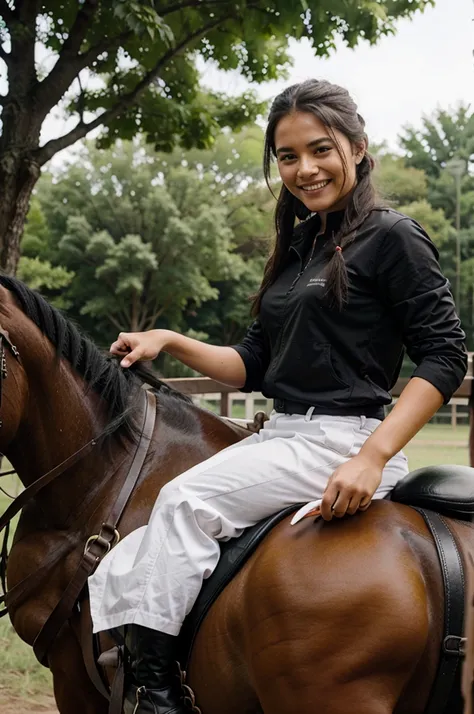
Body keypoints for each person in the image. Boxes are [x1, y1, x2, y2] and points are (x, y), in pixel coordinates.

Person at [88, 79, 467, 714]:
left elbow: (445, 355)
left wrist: (372, 457)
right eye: (287, 156)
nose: (304, 169)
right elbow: (250, 364)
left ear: (358, 147)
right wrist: (171, 339)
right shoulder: (299, 246)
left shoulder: (393, 236)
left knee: (183, 501)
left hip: (341, 440)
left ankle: (154, 694)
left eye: (320, 150)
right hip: (285, 435)